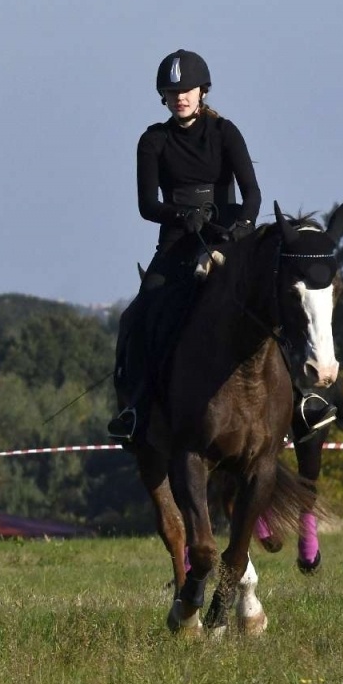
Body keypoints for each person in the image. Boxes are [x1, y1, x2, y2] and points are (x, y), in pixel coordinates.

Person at [107, 50, 264, 443]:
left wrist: (242, 228)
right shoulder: (153, 140)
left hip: (225, 237)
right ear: (164, 96)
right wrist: (180, 216)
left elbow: (251, 193)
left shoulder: (225, 132)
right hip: (178, 241)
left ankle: (304, 400)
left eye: (187, 90)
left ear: (202, 91)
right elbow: (147, 205)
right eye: (173, 91)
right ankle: (136, 406)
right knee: (140, 312)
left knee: (278, 300)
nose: (181, 96)